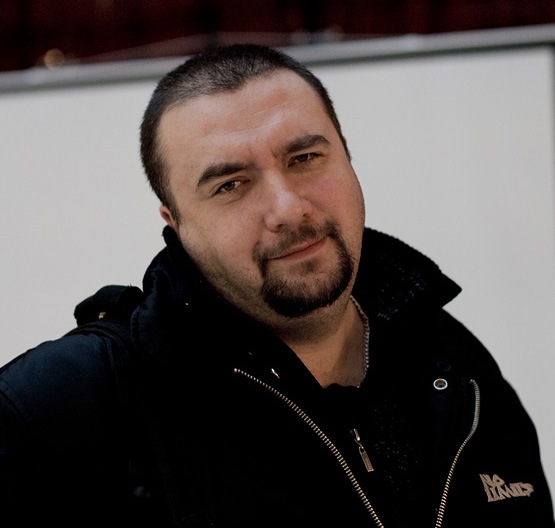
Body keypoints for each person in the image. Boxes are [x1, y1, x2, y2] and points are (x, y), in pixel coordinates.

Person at [0, 43, 553, 528]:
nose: (287, 208)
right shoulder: (67, 409)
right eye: (231, 185)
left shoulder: (454, 369)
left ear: (348, 158)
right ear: (176, 224)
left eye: (305, 158)